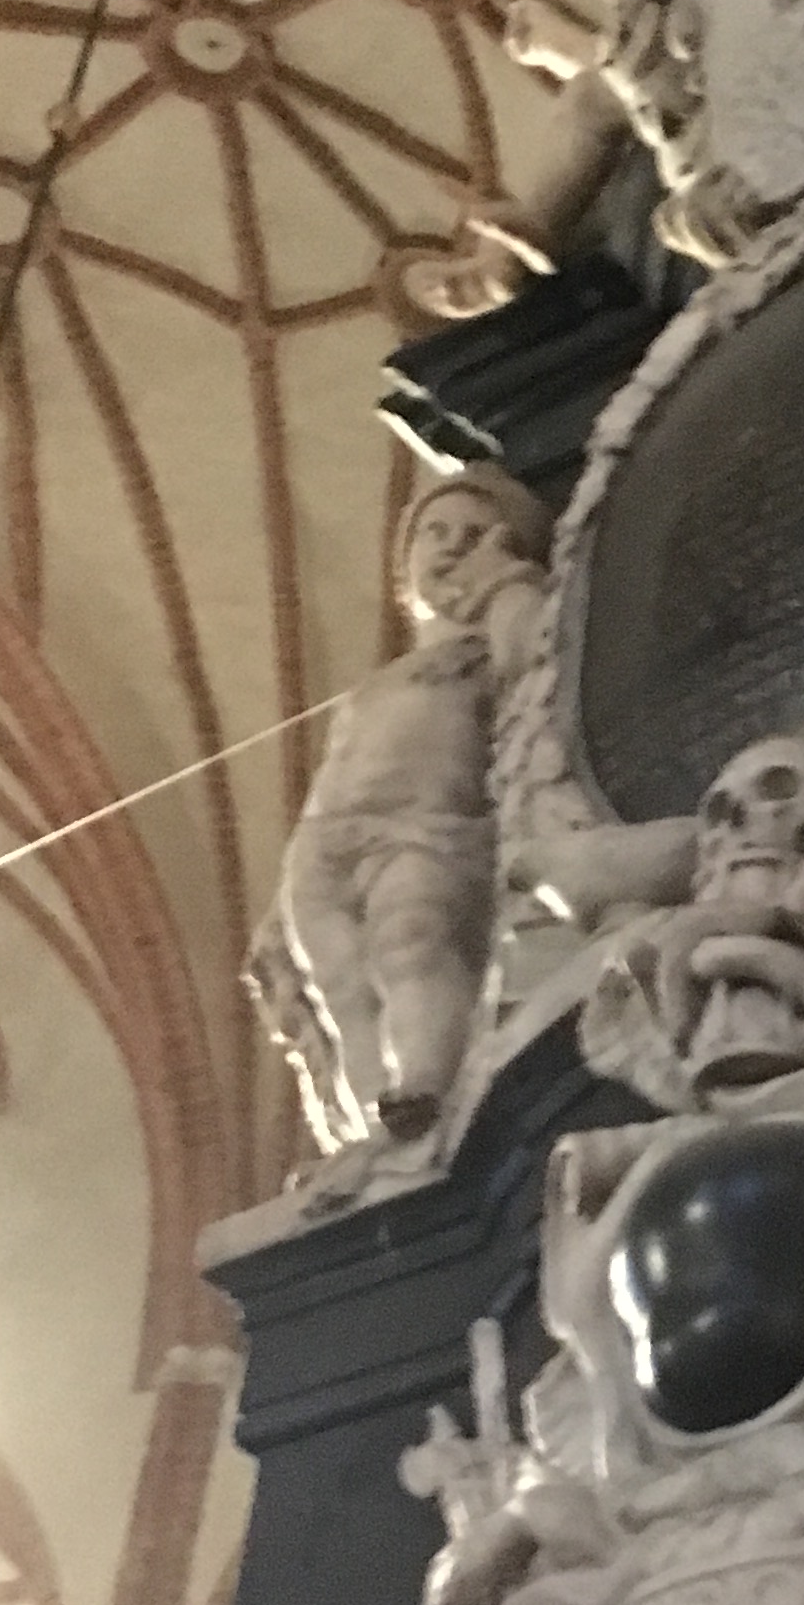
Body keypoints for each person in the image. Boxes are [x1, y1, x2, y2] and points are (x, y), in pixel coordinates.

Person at [260, 469, 551, 1148]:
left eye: (474, 536)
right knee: (338, 984)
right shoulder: (373, 686)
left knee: (413, 938)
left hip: (428, 829)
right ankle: (373, 1124)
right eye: (433, 532)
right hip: (326, 842)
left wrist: (506, 584)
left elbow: (536, 666)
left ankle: (427, 1081)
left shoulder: (490, 646)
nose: (449, 547)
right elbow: (335, 771)